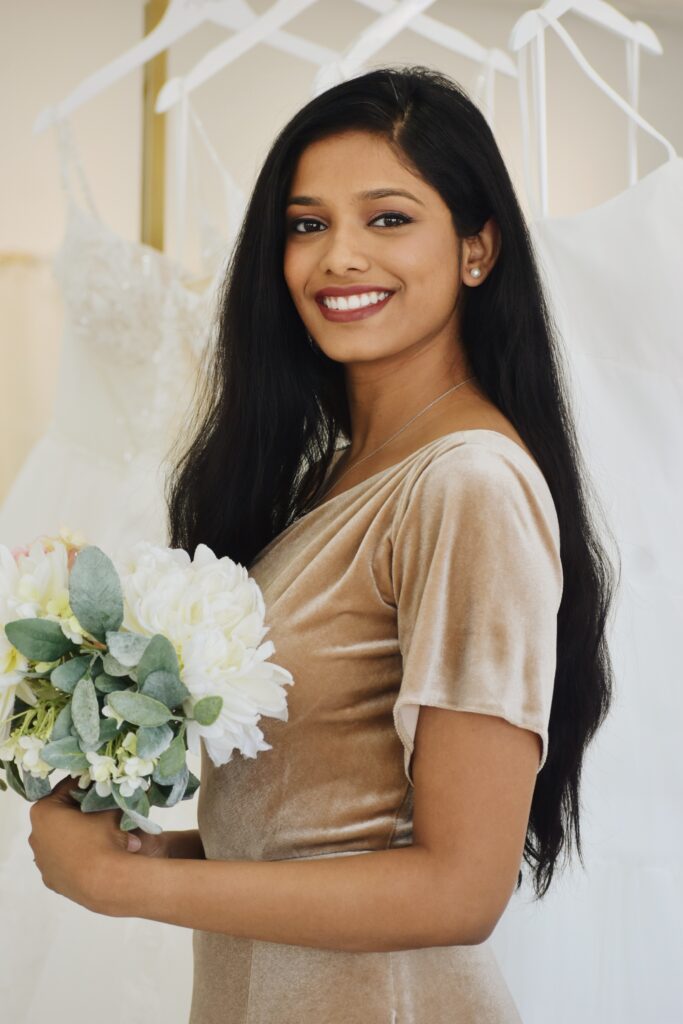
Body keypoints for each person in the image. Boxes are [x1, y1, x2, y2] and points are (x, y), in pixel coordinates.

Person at [61, 65, 622, 1022]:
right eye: (307, 223)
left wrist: (122, 890)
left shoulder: (465, 485)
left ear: (477, 248)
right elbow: (324, 827)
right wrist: (155, 849)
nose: (338, 258)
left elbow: (456, 890)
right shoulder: (334, 479)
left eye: (389, 219)